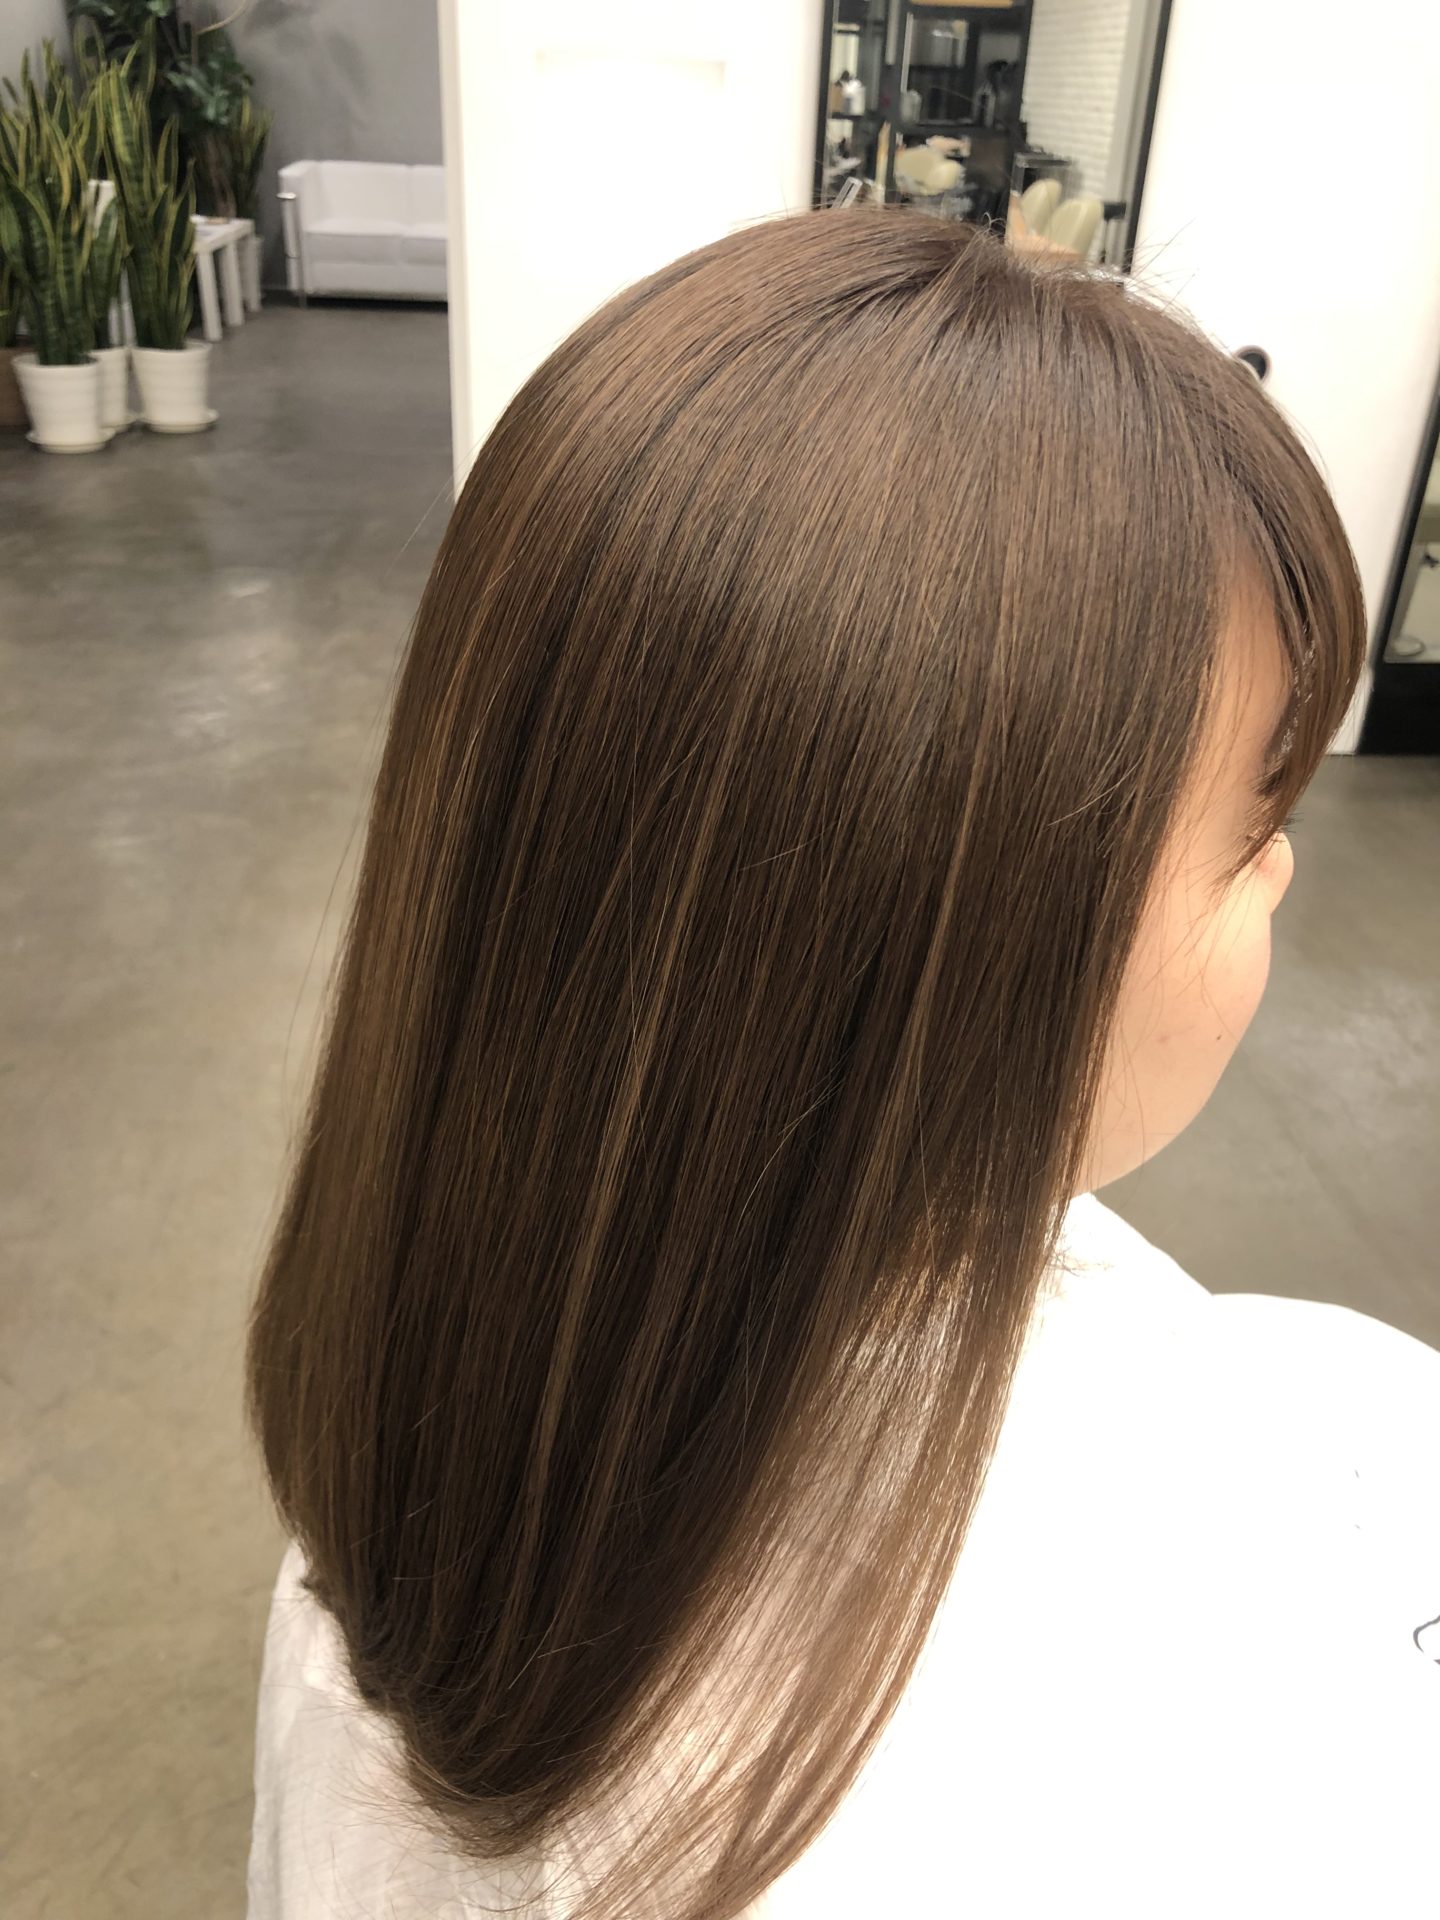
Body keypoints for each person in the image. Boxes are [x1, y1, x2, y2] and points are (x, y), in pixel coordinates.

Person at [244, 208, 1440, 1920]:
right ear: (941, 944)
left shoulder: (433, 1422)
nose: (1290, 864)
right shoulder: (1089, 1780)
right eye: (1256, 815)